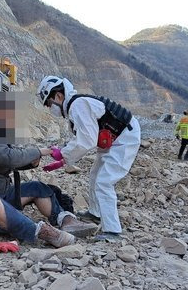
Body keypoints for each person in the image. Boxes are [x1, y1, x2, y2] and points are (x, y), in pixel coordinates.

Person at [0, 105, 98, 248]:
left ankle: (67, 221)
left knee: (37, 188)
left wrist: (31, 162)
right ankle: (41, 232)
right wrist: (39, 151)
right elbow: (9, 158)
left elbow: (7, 159)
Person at [37, 75, 141, 241]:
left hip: (124, 138)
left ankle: (113, 231)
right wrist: (64, 158)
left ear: (58, 95)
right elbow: (82, 137)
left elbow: (87, 141)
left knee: (104, 181)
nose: (50, 108)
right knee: (94, 175)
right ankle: (95, 213)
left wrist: (63, 154)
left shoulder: (78, 105)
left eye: (49, 103)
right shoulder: (75, 106)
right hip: (114, 137)